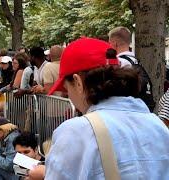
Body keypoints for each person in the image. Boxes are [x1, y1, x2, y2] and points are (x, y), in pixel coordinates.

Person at [29, 37, 169, 179]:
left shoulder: (76, 132)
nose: (68, 95)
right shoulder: (158, 125)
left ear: (78, 82)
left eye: (66, 88)